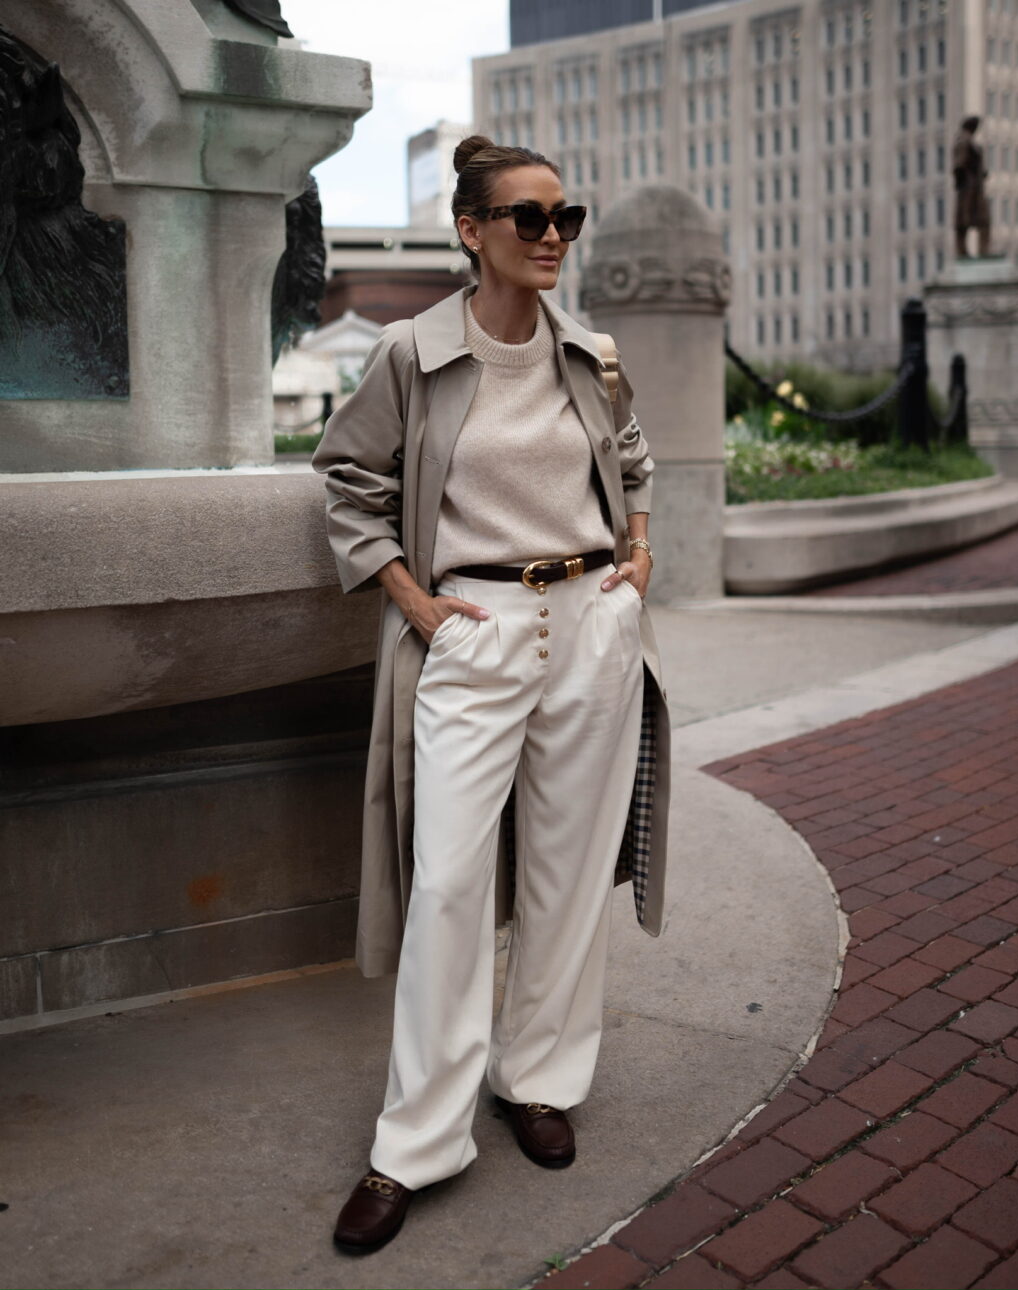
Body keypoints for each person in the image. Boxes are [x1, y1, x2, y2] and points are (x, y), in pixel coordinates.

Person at [312, 134, 670, 1254]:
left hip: (590, 623)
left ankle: (540, 1081)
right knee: (452, 884)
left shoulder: (592, 353)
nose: (554, 236)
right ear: (473, 232)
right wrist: (416, 607)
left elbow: (634, 454)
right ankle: (414, 1143)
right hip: (472, 626)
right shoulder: (414, 355)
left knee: (569, 877)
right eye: (530, 219)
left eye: (567, 216)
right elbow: (348, 484)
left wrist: (640, 556)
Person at [953, 115, 991, 259]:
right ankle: (962, 250)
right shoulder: (963, 141)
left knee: (983, 220)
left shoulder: (972, 144)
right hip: (968, 188)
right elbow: (959, 165)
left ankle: (983, 250)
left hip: (976, 187)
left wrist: (982, 173)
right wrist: (964, 180)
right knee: (963, 220)